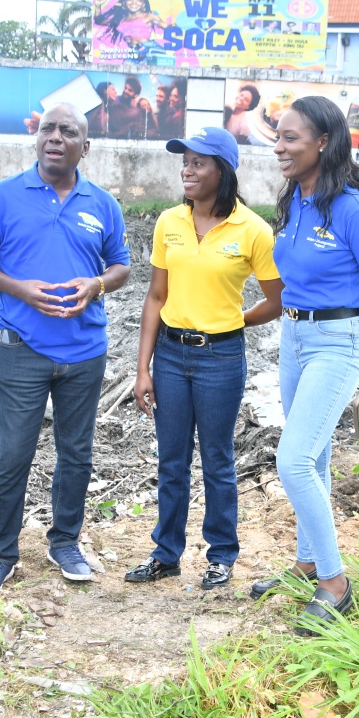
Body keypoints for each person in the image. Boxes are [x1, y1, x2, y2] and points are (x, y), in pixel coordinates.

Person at [249, 96, 359, 635]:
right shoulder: (294, 199)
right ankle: (306, 565)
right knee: (311, 460)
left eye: (292, 138)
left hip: (339, 339)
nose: (280, 147)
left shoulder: (352, 208)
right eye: (278, 136)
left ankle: (336, 585)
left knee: (291, 461)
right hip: (293, 336)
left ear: (324, 143)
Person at [0, 102, 131, 591]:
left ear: (86, 145)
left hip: (84, 353)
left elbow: (121, 265)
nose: (55, 137)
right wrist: (21, 289)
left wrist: (96, 286)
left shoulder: (103, 204)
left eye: (68, 131)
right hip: (21, 349)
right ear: (36, 138)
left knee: (76, 453)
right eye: (47, 129)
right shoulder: (1, 197)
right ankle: (0, 554)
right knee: (12, 454)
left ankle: (65, 543)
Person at [125, 128, 282, 590]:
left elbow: (275, 299)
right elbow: (155, 296)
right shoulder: (169, 222)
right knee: (171, 461)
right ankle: (166, 555)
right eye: (185, 161)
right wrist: (143, 369)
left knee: (217, 459)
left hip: (221, 359)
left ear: (223, 171)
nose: (187, 170)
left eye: (198, 162)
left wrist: (234, 323)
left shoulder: (252, 229)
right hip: (171, 356)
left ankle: (221, 556)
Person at [94, 0, 167, 62]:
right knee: (127, 71)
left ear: (143, 5)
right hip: (133, 52)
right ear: (124, 3)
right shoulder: (120, 19)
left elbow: (167, 27)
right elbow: (99, 21)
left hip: (150, 48)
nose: (134, 3)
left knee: (153, 73)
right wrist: (97, 5)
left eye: (139, 1)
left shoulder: (149, 16)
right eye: (130, 0)